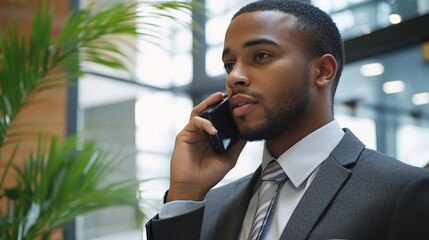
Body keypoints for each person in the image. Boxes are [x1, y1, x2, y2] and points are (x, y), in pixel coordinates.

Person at [145, 0, 429, 239]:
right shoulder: (209, 206)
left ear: (322, 71)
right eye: (229, 64)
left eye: (261, 55)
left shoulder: (403, 191)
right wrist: (185, 192)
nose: (234, 77)